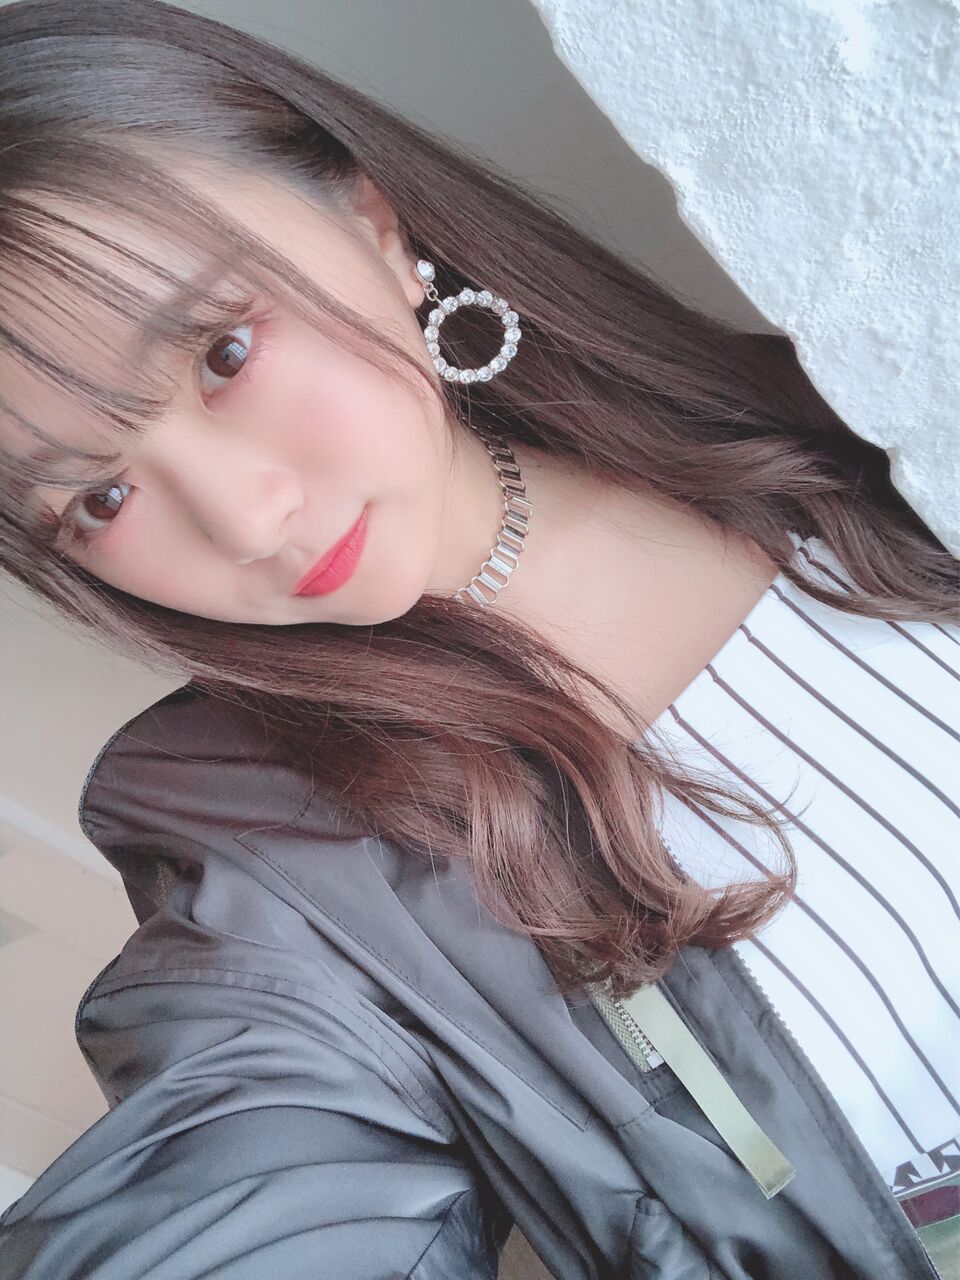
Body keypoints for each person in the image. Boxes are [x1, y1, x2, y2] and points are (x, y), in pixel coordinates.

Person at [0, 1, 956, 1277]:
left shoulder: (856, 414)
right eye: (100, 497)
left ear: (373, 224)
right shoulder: (278, 875)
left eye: (224, 352)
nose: (242, 518)